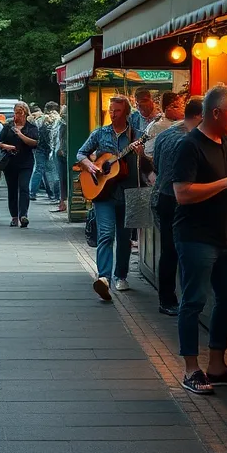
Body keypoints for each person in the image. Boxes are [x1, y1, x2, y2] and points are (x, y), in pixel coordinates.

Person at [172, 85, 227, 394]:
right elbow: (182, 194)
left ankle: (218, 365)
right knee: (193, 301)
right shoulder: (189, 146)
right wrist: (226, 183)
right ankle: (191, 369)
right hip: (196, 236)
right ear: (216, 113)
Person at [77, 94, 149, 299]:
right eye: (110, 110)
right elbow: (81, 153)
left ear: (126, 112)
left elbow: (148, 165)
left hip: (128, 193)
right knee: (106, 234)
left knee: (125, 238)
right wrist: (91, 165)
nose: (112, 114)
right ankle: (104, 278)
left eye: (117, 111)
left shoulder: (138, 135)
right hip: (103, 194)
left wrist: (142, 153)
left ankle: (121, 276)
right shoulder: (100, 133)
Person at [150, 97, 203, 315]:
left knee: (169, 251)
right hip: (180, 199)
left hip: (163, 196)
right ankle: (178, 300)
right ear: (200, 116)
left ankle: (167, 299)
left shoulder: (165, 135)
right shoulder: (191, 140)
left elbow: (155, 165)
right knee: (183, 251)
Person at [0, 101, 39, 227]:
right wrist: (7, 146)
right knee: (12, 189)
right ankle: (14, 216)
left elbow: (35, 143)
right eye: (16, 113)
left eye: (20, 113)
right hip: (10, 162)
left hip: (26, 162)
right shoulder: (8, 126)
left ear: (25, 114)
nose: (17, 116)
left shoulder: (31, 127)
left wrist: (20, 135)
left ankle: (23, 215)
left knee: (24, 187)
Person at [29, 102, 59, 202]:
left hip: (39, 148)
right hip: (46, 148)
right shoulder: (52, 119)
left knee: (41, 169)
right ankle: (35, 192)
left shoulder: (39, 119)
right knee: (44, 170)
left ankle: (47, 193)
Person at [146, 91, 185, 160]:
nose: (183, 110)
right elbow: (149, 153)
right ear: (169, 109)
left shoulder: (184, 123)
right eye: (180, 106)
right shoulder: (158, 126)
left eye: (183, 105)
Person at [53, 104, 69, 213]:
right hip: (62, 152)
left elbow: (56, 137)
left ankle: (62, 201)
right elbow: (60, 137)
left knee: (62, 179)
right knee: (63, 178)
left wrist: (56, 148)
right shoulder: (64, 122)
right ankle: (63, 201)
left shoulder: (61, 122)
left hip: (60, 151)